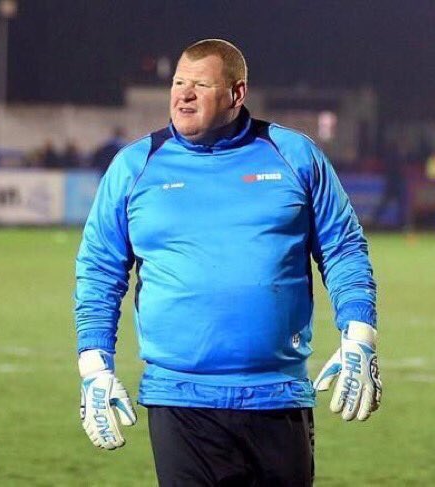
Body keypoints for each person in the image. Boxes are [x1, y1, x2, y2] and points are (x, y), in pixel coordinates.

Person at [74, 39, 381, 486]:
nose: (183, 94)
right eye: (179, 82)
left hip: (277, 397)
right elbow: (99, 271)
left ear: (237, 94)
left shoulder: (295, 156)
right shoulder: (134, 167)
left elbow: (344, 248)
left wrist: (359, 335)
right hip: (180, 402)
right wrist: (94, 366)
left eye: (200, 84)